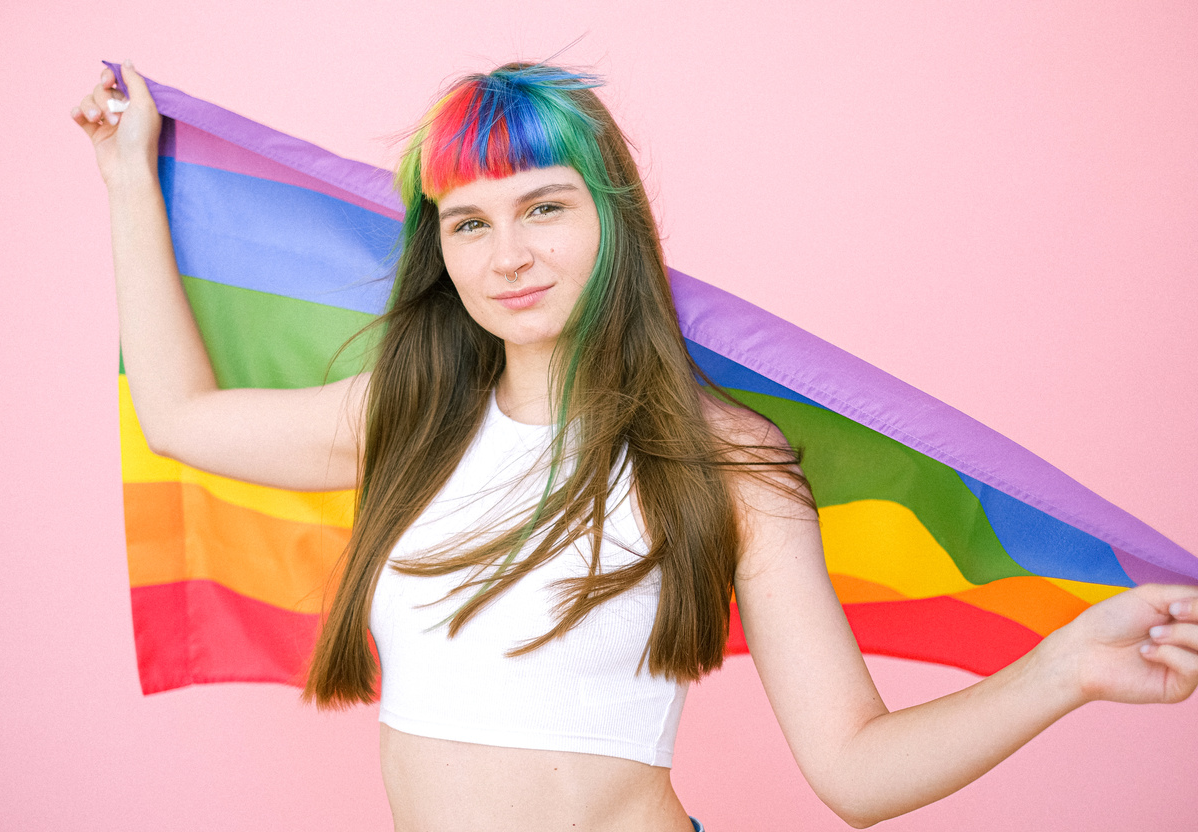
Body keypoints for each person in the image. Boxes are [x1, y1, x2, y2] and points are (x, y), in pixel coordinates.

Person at [72, 60, 1198, 831]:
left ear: (614, 219)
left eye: (545, 207)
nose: (507, 252)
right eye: (471, 221)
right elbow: (178, 416)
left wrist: (1061, 671)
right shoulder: (405, 418)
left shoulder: (727, 461)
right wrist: (129, 180)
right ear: (443, 254)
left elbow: (855, 772)